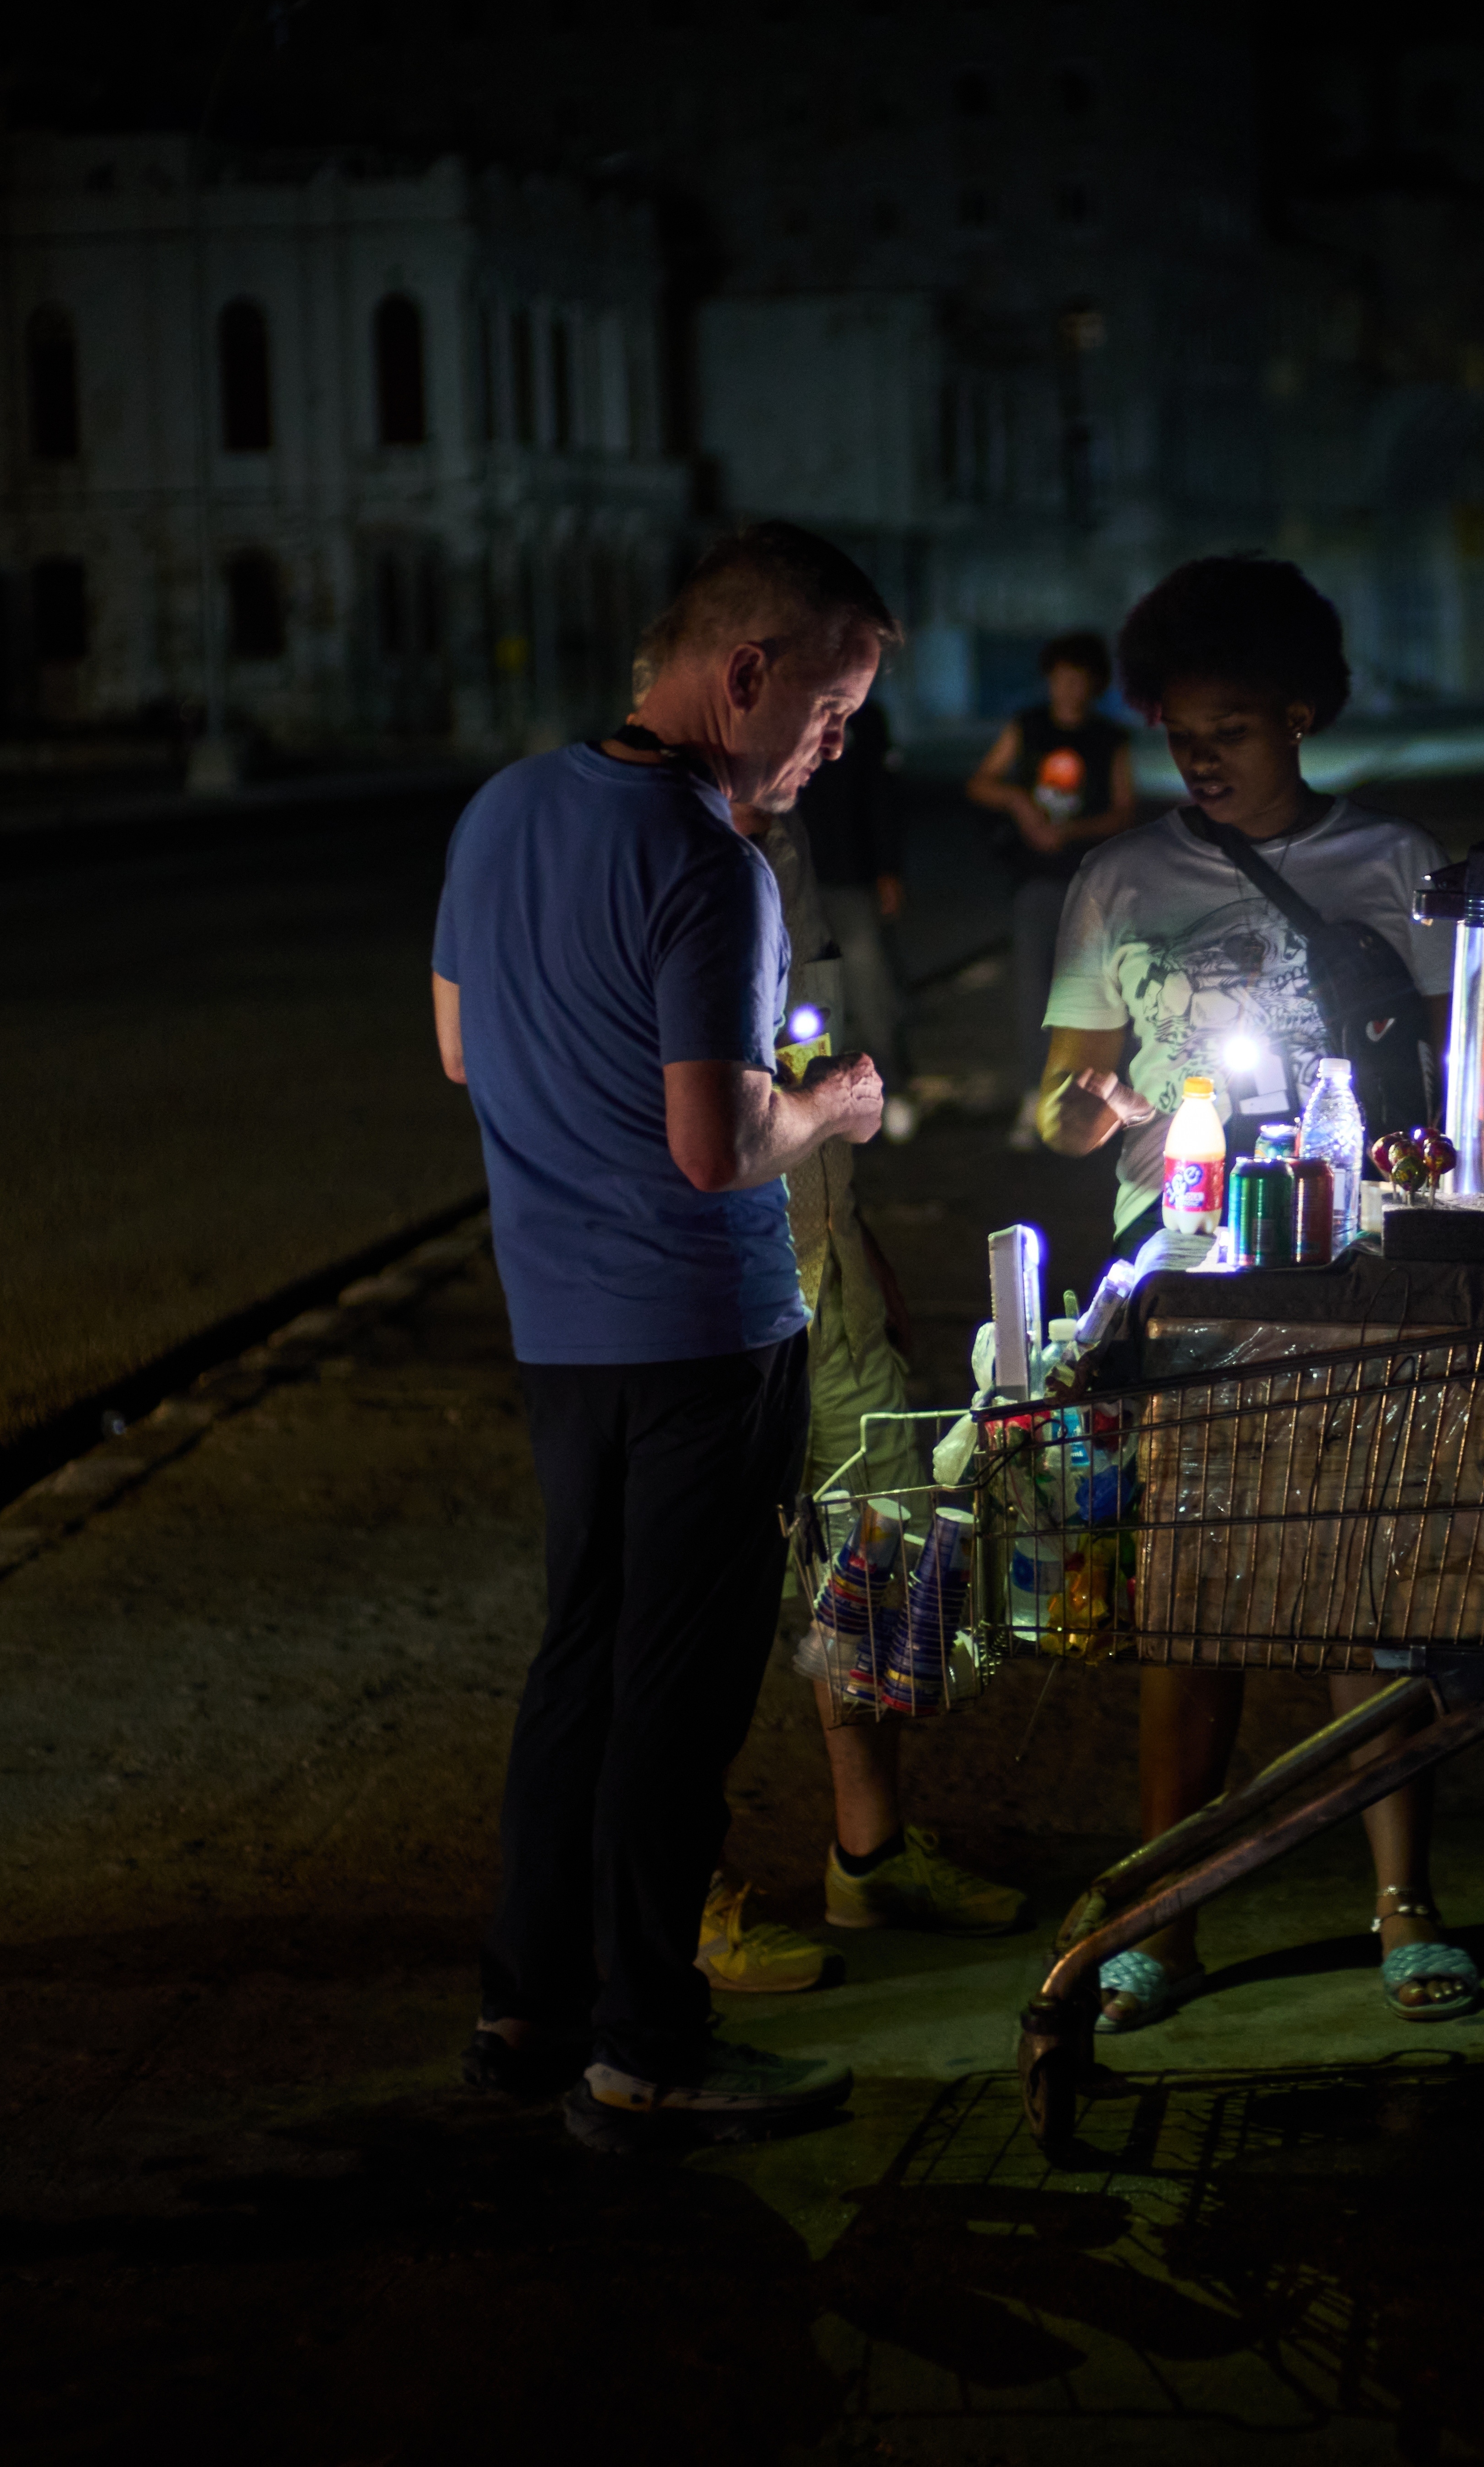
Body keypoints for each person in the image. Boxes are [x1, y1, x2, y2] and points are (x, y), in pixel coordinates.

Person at [430, 522, 886, 2151]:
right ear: (744, 674)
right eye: (830, 711)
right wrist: (826, 1105)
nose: (835, 749)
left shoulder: (500, 811)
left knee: (576, 1663)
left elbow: (462, 1051)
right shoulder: (709, 863)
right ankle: (648, 2049)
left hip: (558, 1331)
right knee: (673, 1700)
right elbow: (713, 1148)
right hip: (701, 1337)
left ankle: (523, 2007)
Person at [1027, 553, 1475, 2034]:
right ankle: (1170, 1907)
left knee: (1368, 1589)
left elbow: (1466, 1089)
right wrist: (1083, 1116)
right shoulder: (1121, 879)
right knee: (1194, 1599)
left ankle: (1405, 1904)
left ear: (1301, 715)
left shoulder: (1402, 868)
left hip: (1361, 1276)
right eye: (1175, 729)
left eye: (1227, 724)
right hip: (1188, 1280)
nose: (1195, 755)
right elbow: (1058, 1104)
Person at [685, 801, 1026, 1999]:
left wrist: (855, 1232)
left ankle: (870, 1857)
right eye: (824, 712)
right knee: (697, 1609)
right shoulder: (647, 845)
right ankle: (689, 1900)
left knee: (876, 1556)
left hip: (825, 1266)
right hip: (702, 1297)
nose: (836, 745)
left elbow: (798, 1052)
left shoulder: (789, 844)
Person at [967, 629, 1141, 1149]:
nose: (1069, 689)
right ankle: (1032, 1100)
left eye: (1079, 680)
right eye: (1061, 679)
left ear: (1094, 685)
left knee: (1099, 999)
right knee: (1033, 997)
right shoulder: (1030, 727)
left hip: (1092, 885)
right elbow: (981, 783)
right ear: (1050, 680)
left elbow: (1124, 811)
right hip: (1036, 884)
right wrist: (1021, 805)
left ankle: (1101, 1106)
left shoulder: (1110, 738)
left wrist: (1070, 832)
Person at [788, 688, 916, 1140]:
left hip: (851, 872)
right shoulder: (785, 706)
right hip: (791, 875)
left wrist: (887, 869)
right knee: (804, 994)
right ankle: (810, 1102)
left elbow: (882, 793)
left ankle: (893, 1091)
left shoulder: (864, 716)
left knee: (871, 986)